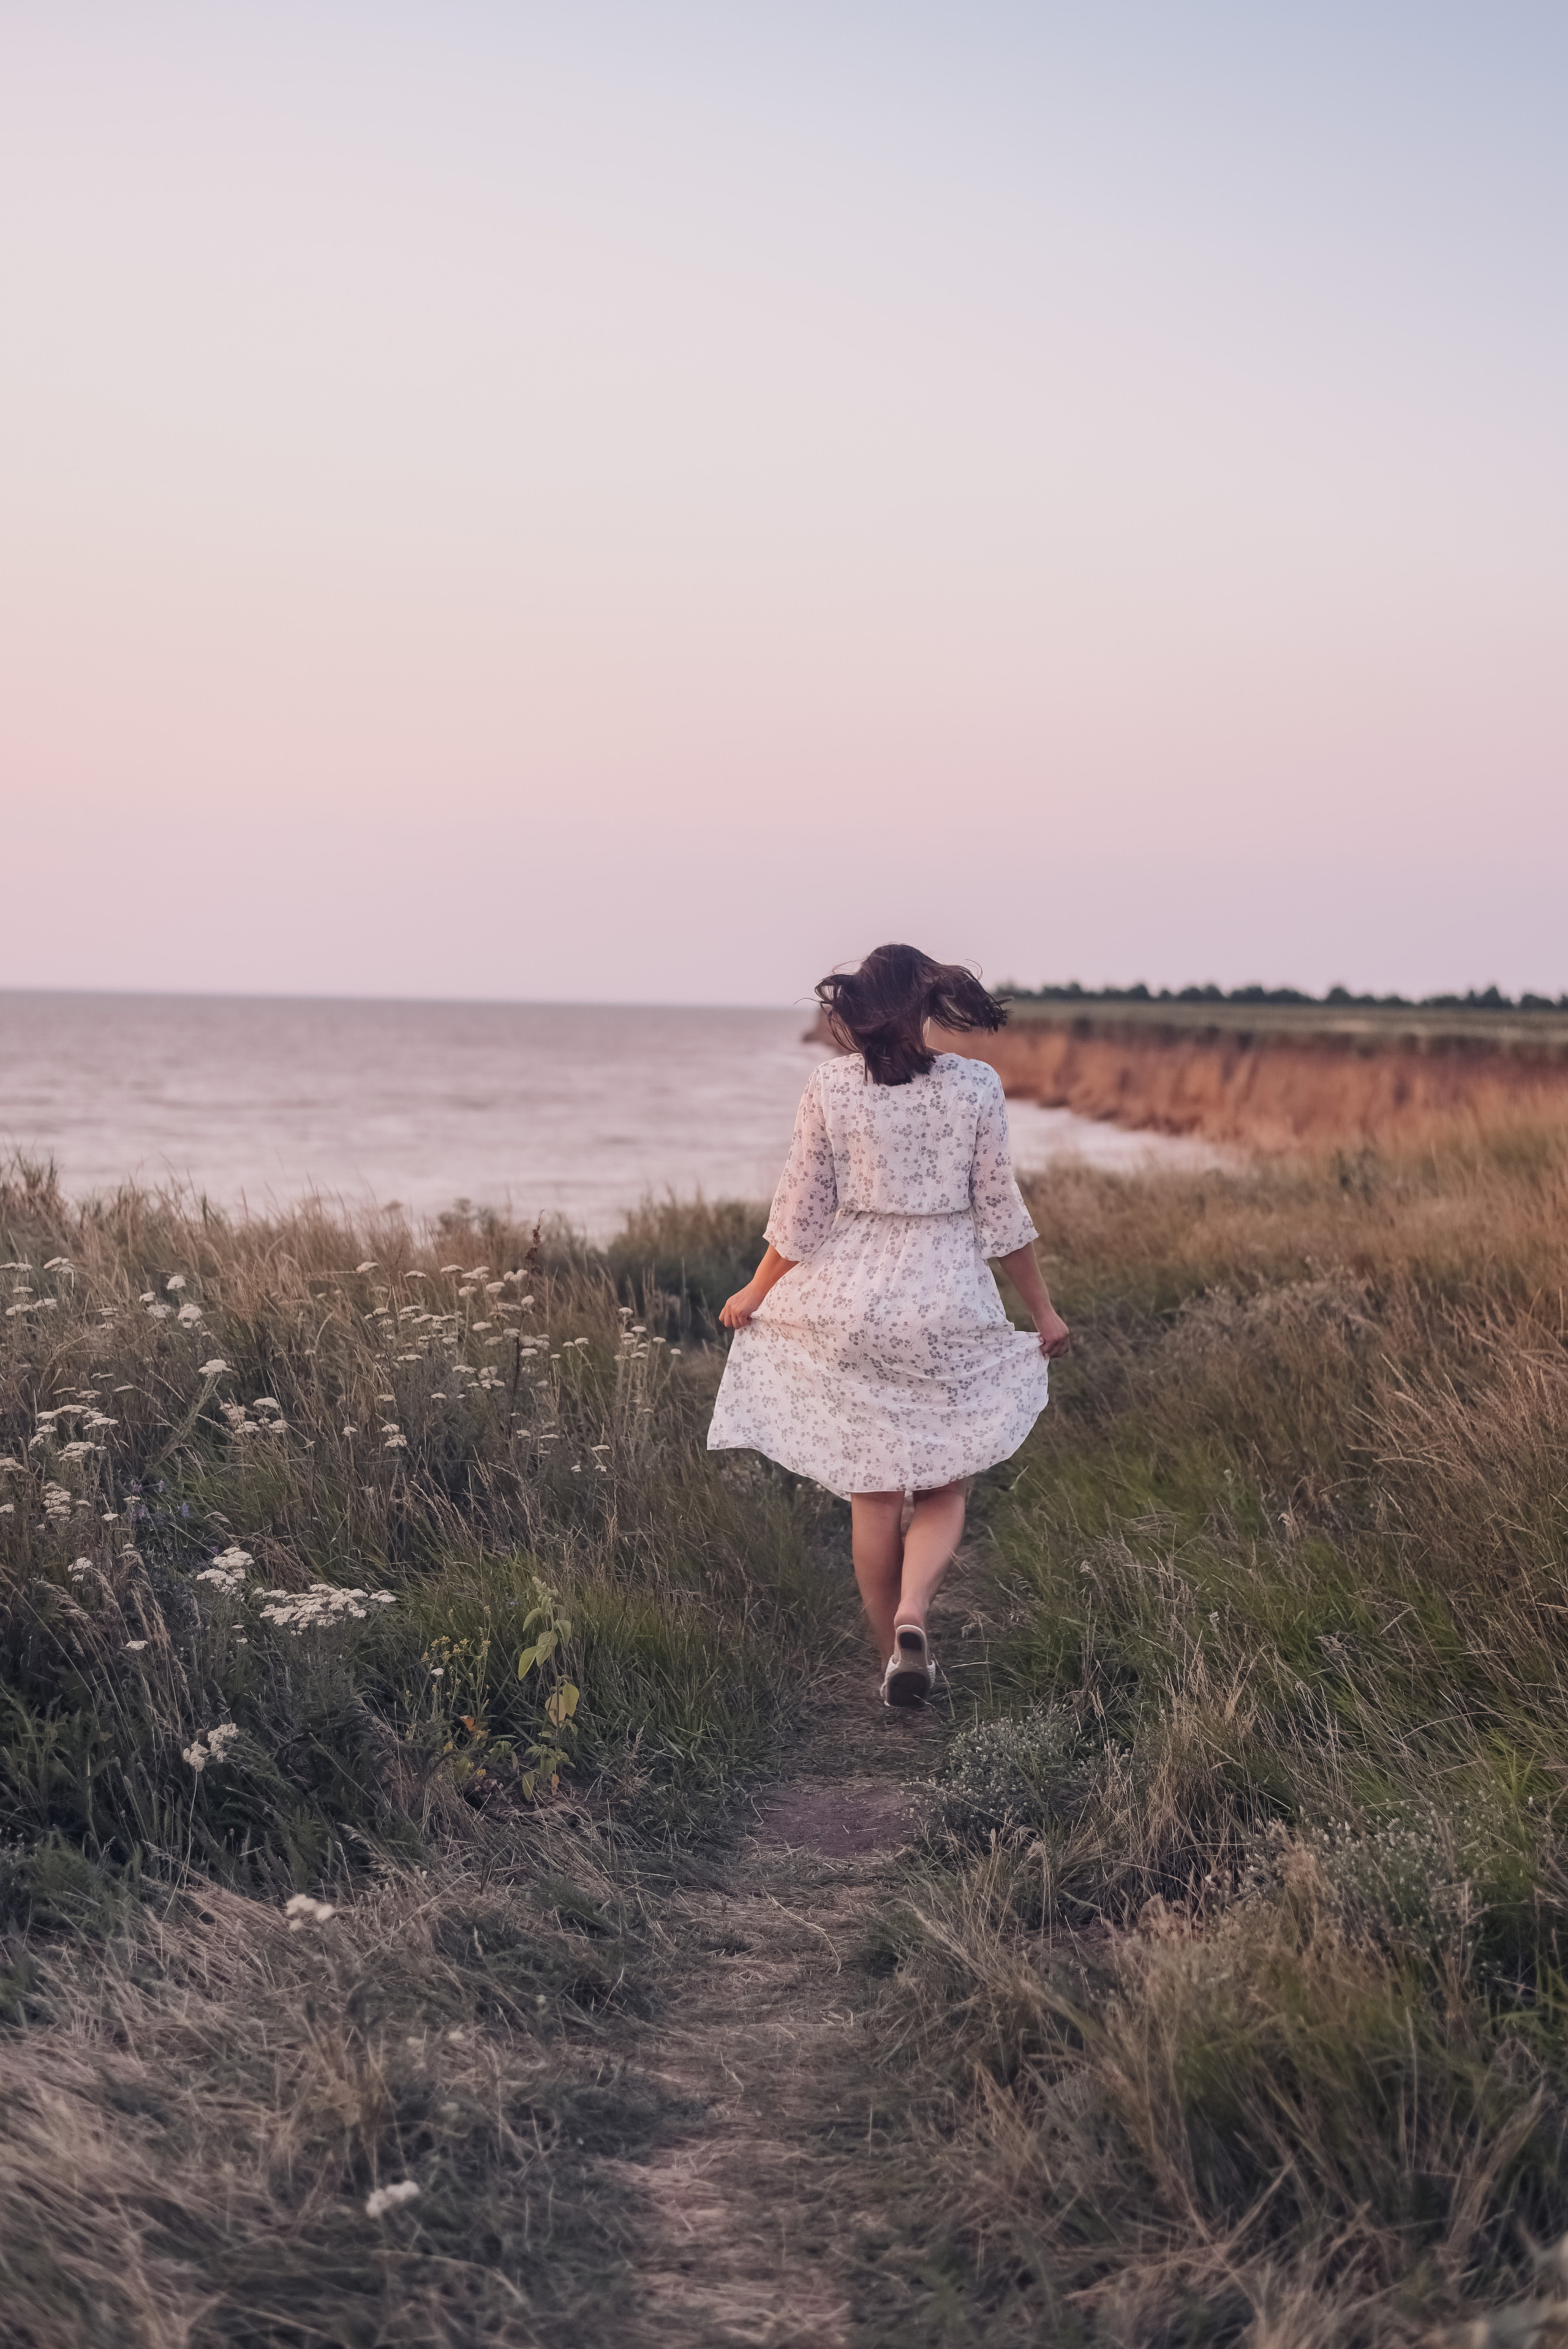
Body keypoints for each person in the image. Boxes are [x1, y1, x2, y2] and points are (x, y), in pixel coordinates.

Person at [707, 943, 1071, 1707]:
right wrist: (1042, 1311)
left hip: (852, 1300)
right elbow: (1000, 1211)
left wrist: (755, 1290)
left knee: (872, 1497)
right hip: (946, 1295)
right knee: (943, 1486)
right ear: (928, 1002)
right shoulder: (975, 1084)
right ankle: (914, 1613)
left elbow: (800, 1211)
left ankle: (892, 1662)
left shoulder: (831, 1086)